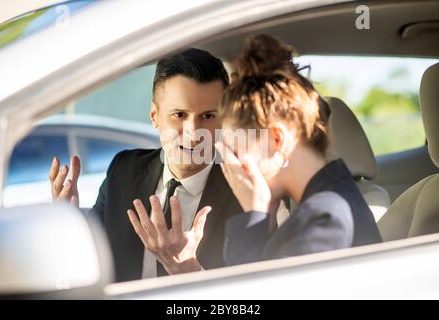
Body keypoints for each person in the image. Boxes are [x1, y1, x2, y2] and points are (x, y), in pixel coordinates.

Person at [48, 48, 242, 282]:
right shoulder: (123, 169)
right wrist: (68, 223)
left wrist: (188, 271)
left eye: (209, 116)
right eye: (179, 115)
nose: (194, 133)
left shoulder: (244, 193)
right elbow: (91, 266)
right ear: (154, 116)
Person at [215, 34, 382, 266]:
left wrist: (253, 214)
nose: (231, 164)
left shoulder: (324, 220)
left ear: (276, 139)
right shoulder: (321, 206)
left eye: (235, 149)